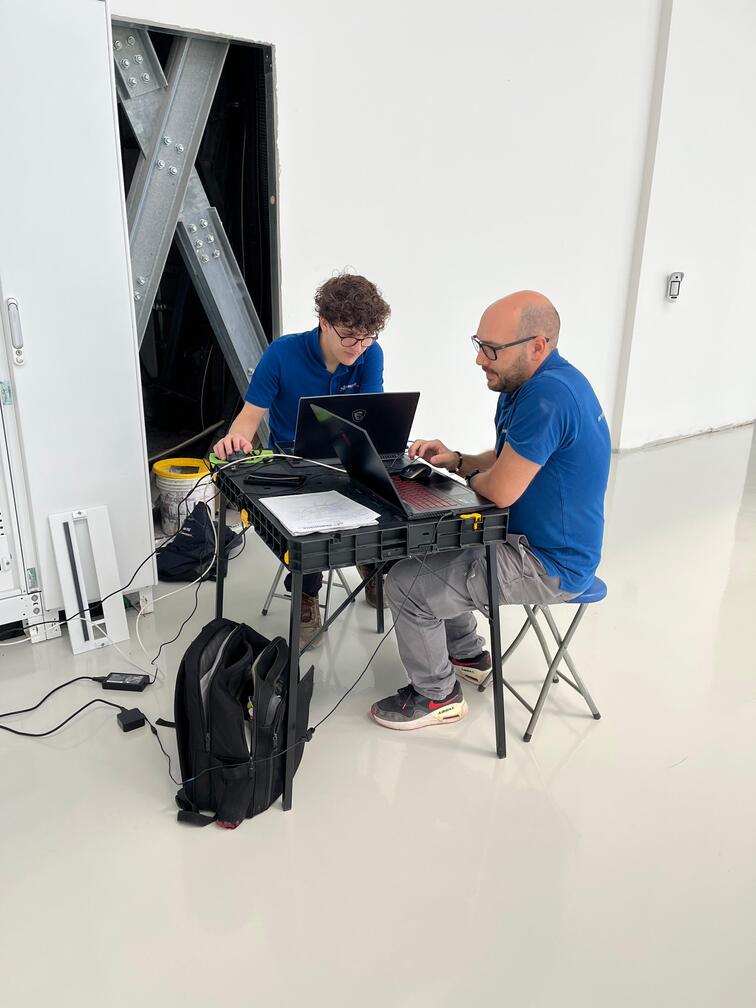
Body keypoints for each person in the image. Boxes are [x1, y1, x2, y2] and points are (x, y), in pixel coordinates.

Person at [370, 290, 611, 730]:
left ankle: (436, 695)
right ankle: (468, 654)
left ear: (537, 346)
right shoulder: (525, 384)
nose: (480, 359)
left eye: (492, 349)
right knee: (428, 548)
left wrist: (467, 479)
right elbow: (506, 458)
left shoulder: (549, 396)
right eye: (479, 345)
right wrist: (456, 460)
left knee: (405, 584)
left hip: (548, 562)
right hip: (521, 539)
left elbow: (500, 490)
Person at [214, 272, 391, 646]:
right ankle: (307, 594)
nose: (358, 347)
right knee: (308, 524)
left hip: (347, 457)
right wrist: (235, 439)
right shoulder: (282, 354)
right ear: (324, 322)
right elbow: (249, 418)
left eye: (366, 337)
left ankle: (373, 564)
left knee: (386, 494)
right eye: (349, 336)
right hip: (293, 460)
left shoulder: (370, 353)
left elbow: (371, 416)